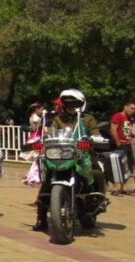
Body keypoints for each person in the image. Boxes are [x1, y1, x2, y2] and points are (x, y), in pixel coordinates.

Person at [33, 89, 105, 231]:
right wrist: (43, 139)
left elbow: (96, 133)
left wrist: (95, 138)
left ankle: (96, 201)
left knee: (97, 170)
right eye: (67, 104)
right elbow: (51, 132)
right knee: (46, 176)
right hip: (61, 154)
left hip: (83, 153)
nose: (70, 107)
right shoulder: (58, 119)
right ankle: (41, 217)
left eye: (74, 104)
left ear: (81, 105)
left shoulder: (88, 119)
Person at [108, 100, 135, 195]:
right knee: (117, 166)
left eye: (134, 109)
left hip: (128, 145)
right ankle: (116, 188)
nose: (133, 111)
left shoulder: (130, 119)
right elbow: (113, 129)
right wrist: (118, 142)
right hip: (120, 145)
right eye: (132, 108)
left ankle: (123, 188)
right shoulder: (118, 116)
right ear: (125, 107)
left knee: (126, 167)